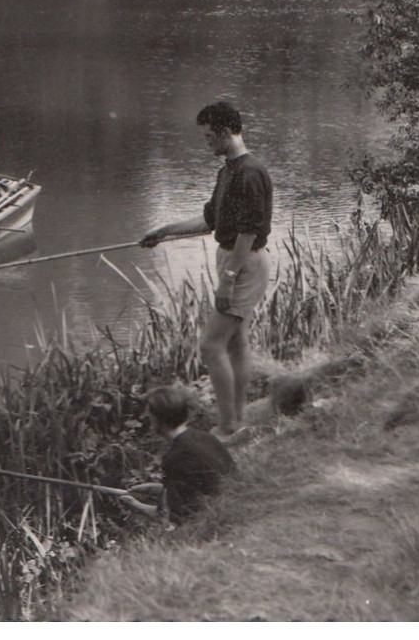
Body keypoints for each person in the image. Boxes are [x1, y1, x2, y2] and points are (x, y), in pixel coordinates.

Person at [139, 100, 273, 440]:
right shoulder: (228, 170)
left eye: (209, 136)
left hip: (243, 263)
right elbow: (211, 221)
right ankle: (238, 417)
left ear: (226, 132)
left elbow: (249, 232)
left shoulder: (250, 173)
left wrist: (229, 278)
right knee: (236, 342)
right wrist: (165, 231)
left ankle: (227, 426)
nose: (206, 143)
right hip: (234, 259)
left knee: (211, 346)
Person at [117, 384, 235, 523]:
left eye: (150, 416)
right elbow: (203, 484)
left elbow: (174, 515)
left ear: (158, 419)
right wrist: (156, 489)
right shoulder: (206, 437)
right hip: (232, 500)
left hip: (215, 517)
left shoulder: (174, 457)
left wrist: (135, 505)